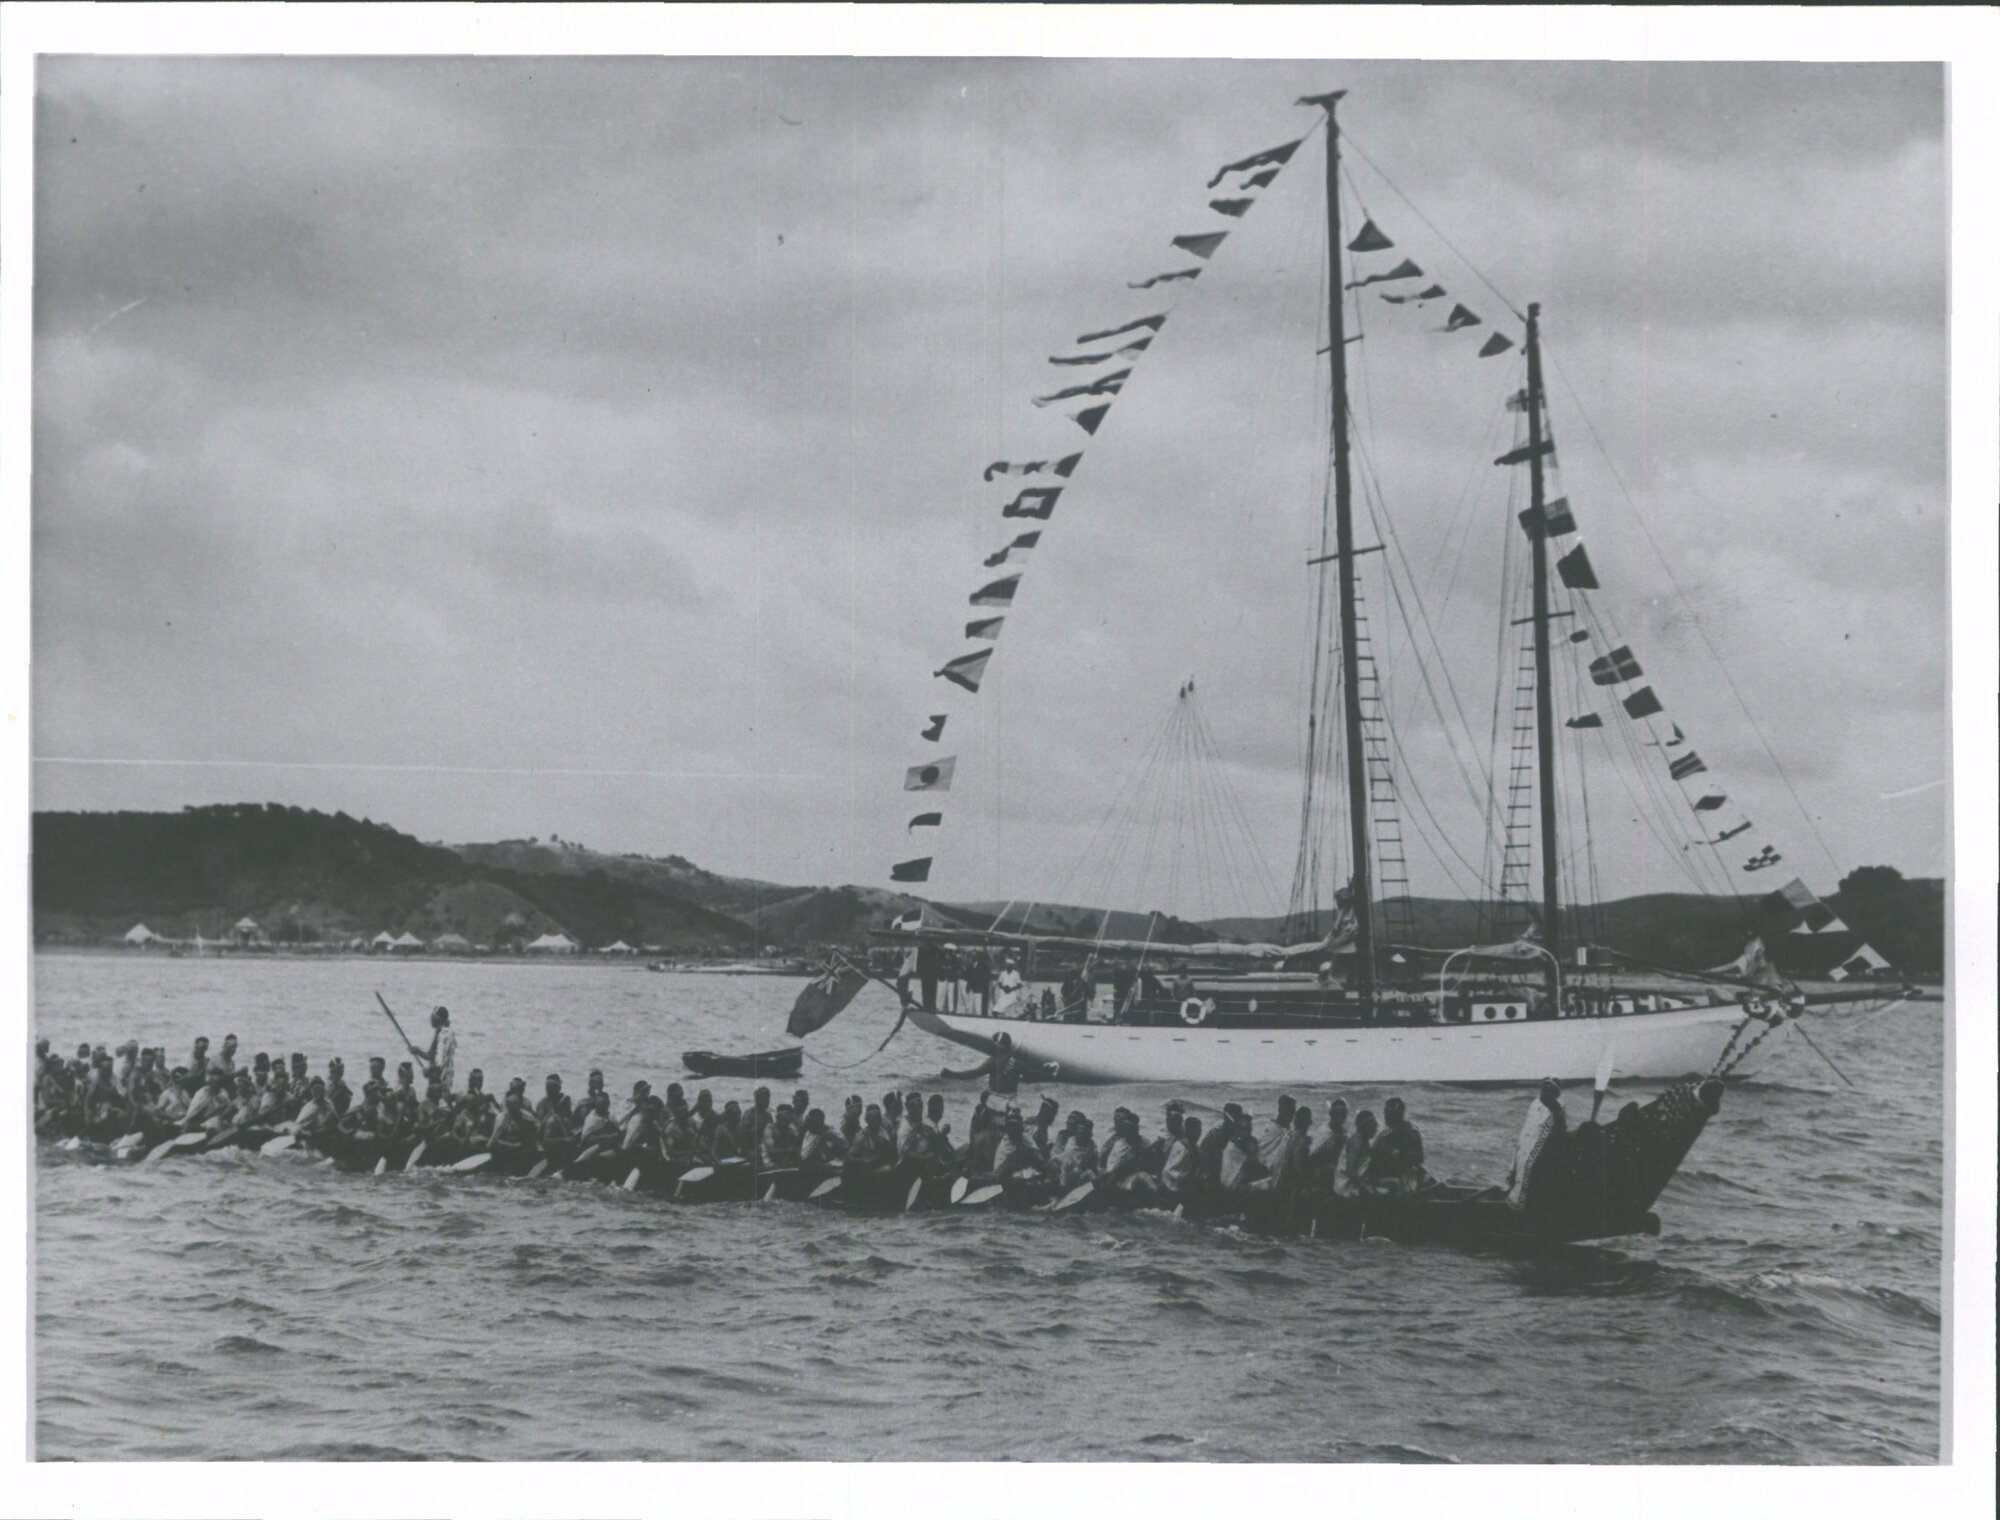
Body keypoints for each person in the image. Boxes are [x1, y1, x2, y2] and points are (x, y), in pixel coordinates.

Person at [1367, 1096, 1429, 1194]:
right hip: (1389, 1174)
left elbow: (1418, 1158)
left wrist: (1400, 1156)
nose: (1385, 1117)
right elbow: (1373, 1157)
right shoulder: (1385, 1134)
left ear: (1397, 1115)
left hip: (1404, 1174)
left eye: (1388, 1113)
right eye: (1385, 1113)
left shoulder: (1411, 1132)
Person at [1337, 1110, 1378, 1196]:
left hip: (1356, 1181)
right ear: (1365, 1127)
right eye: (1373, 1125)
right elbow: (1350, 1170)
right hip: (1346, 1186)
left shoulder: (1364, 1140)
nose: (1376, 1127)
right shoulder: (1356, 1141)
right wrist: (1365, 1186)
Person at [424, 1006, 458, 1091]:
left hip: (439, 1080)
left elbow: (439, 1062)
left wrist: (428, 1070)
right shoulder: (441, 1032)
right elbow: (432, 1055)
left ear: (439, 1019)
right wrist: (417, 1051)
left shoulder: (444, 1034)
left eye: (433, 1016)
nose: (431, 1019)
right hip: (442, 1078)